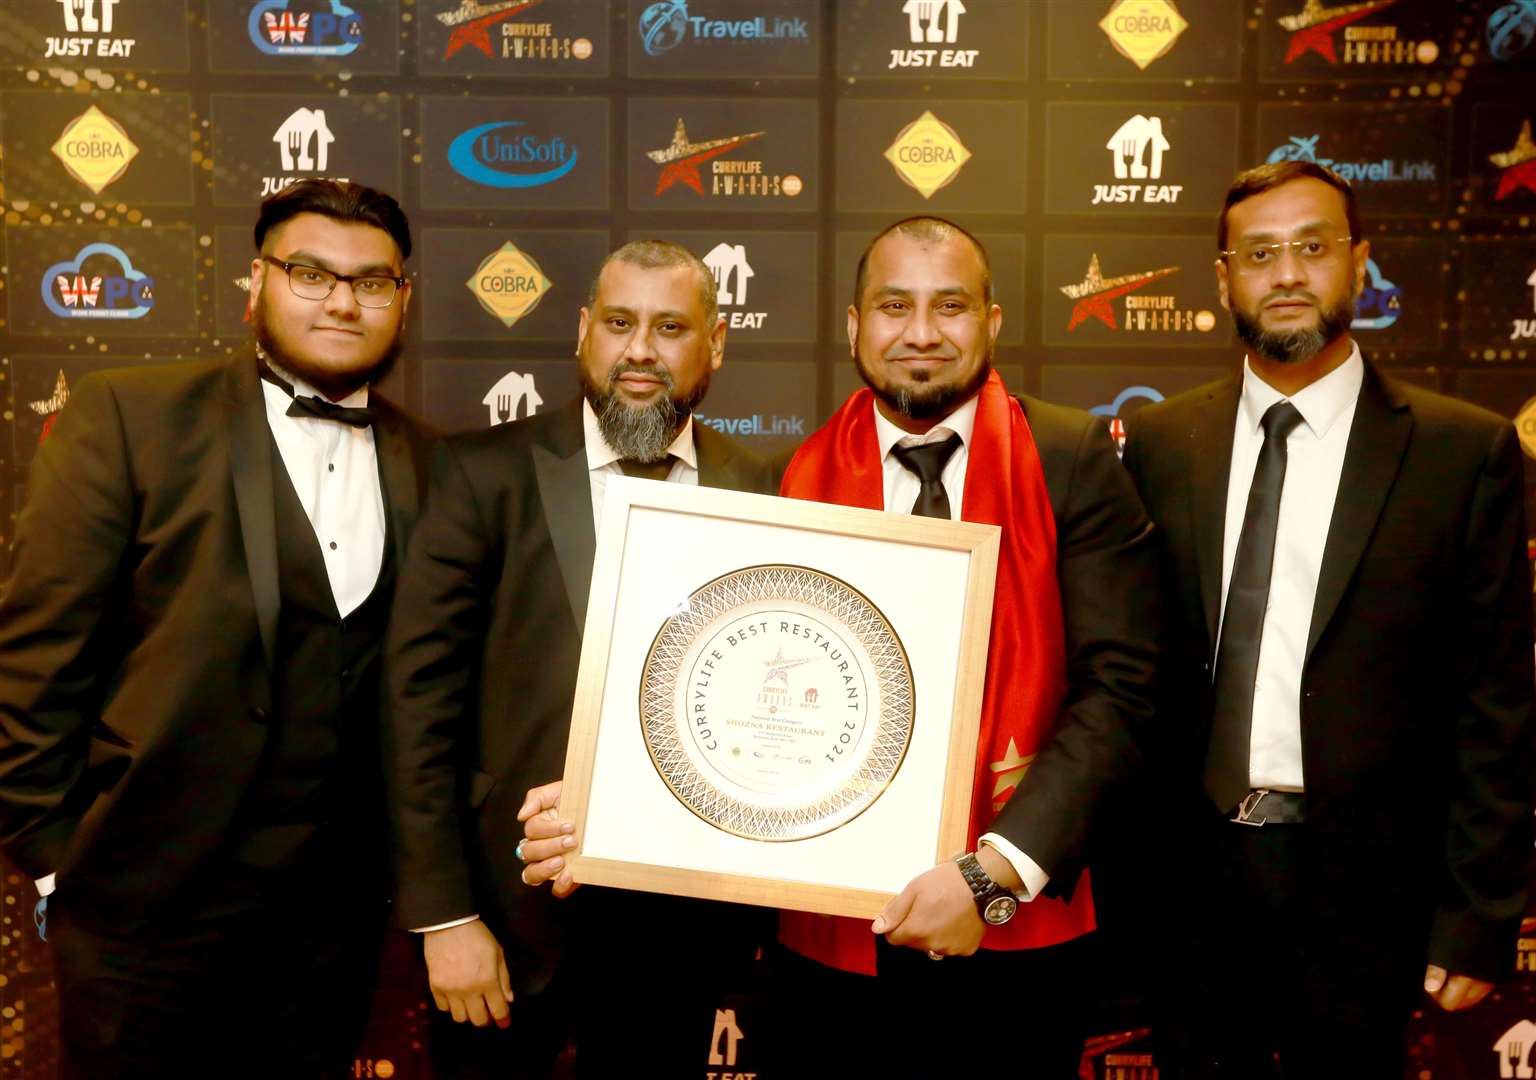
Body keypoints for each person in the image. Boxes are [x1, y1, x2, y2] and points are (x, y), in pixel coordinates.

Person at [0, 179, 434, 1078]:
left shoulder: (436, 462)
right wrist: (59, 869)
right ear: (256, 280)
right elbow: (34, 660)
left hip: (331, 931)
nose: (343, 302)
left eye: (373, 281)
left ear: (404, 297)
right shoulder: (130, 416)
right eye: (310, 272)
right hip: (138, 917)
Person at [1121, 160, 1535, 1078]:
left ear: (1360, 264)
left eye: (1314, 248)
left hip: (1369, 895)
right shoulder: (1158, 443)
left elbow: (1496, 705)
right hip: (1192, 887)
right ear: (1224, 278)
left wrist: (1477, 918)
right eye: (1260, 254)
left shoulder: (1461, 452)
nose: (1288, 275)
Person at [718, 215, 1157, 1075]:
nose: (921, 333)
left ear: (991, 323)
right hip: (830, 940)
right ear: (853, 327)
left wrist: (991, 877)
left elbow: (1123, 689)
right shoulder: (785, 479)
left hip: (1018, 925)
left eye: (949, 305)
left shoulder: (1069, 458)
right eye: (894, 306)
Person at [384, 240, 778, 1077]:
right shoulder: (482, 472)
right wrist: (444, 917)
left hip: (680, 924)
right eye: (619, 322)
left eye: (671, 326)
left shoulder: (761, 489)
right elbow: (416, 707)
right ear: (581, 333)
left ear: (716, 345)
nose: (641, 349)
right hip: (499, 916)